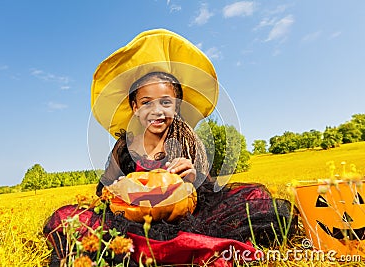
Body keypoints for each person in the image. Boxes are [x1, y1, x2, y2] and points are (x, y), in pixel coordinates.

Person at [44, 29, 297, 266]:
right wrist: (121, 189)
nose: (156, 111)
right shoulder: (125, 145)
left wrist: (192, 178)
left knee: (258, 204)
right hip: (132, 220)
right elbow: (104, 190)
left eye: (165, 102)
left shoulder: (187, 139)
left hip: (185, 219)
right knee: (67, 217)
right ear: (134, 108)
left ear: (176, 107)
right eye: (146, 102)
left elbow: (208, 192)